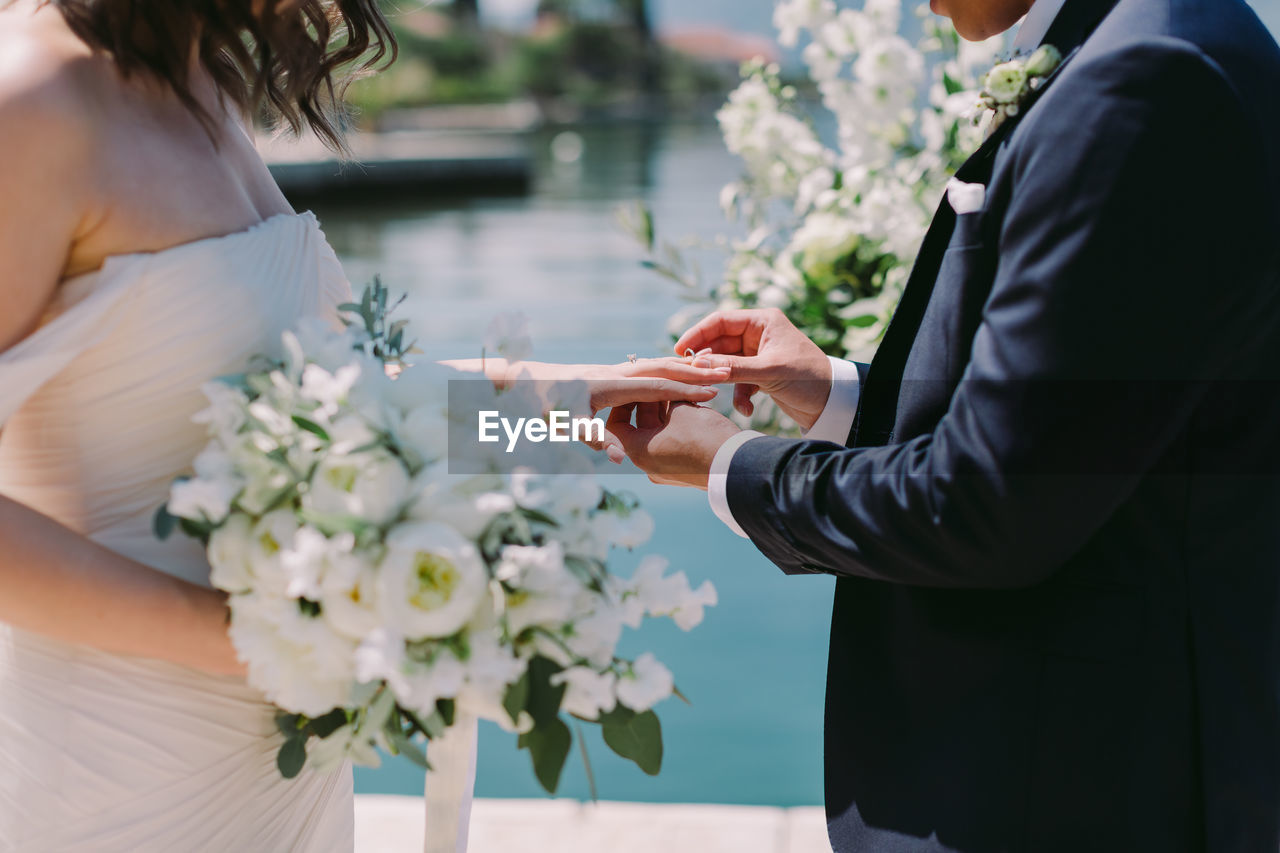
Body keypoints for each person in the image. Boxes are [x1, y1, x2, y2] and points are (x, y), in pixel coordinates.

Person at [0, 1, 722, 849]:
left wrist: (570, 410)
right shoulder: (31, 101)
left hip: (281, 746)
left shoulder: (206, 82)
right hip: (121, 760)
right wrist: (267, 640)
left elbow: (339, 408)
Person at [612, 0, 1280, 849]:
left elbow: (987, 503)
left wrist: (731, 464)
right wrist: (832, 393)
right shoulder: (1156, 37)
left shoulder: (1145, 79)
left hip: (1070, 790)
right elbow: (1069, 428)